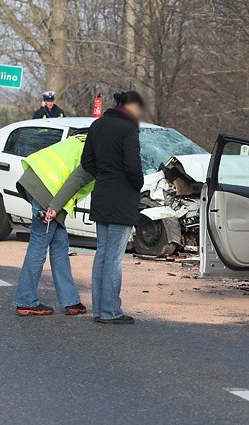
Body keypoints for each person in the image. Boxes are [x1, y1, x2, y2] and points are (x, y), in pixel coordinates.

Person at [12, 134, 94, 316]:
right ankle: (25, 300)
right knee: (38, 245)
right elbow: (74, 182)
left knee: (59, 245)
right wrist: (55, 208)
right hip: (50, 190)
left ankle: (71, 301)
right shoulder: (98, 154)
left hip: (36, 179)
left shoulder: (87, 137)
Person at [81, 91, 145, 324]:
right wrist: (137, 184)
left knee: (102, 253)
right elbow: (133, 166)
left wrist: (104, 175)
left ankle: (99, 309)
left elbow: (86, 161)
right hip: (121, 198)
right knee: (114, 258)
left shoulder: (97, 125)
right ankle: (110, 311)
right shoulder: (128, 129)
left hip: (102, 194)